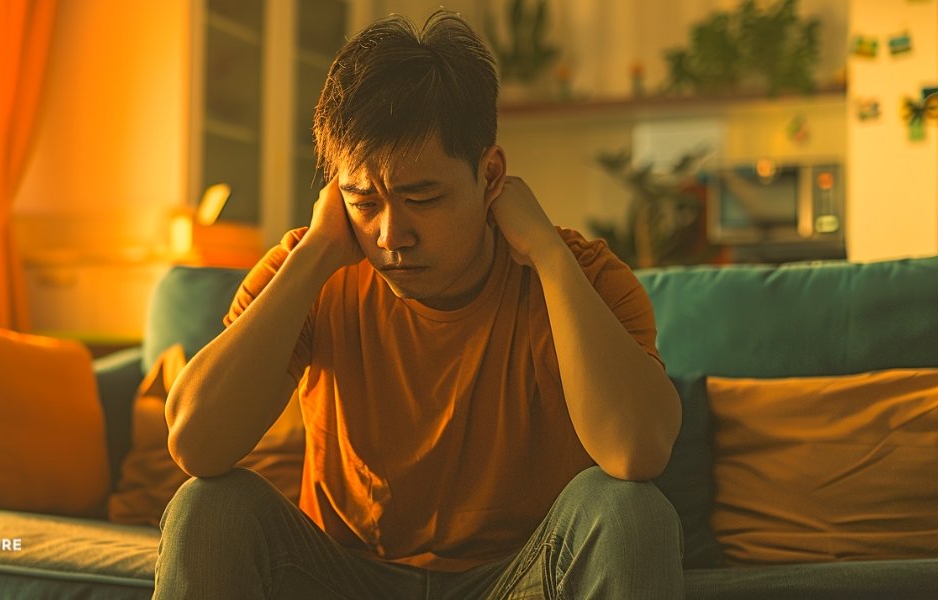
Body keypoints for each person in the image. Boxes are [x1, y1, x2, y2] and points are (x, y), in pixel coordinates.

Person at [156, 9, 684, 599]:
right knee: (209, 508)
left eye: (422, 197)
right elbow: (196, 444)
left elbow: (638, 452)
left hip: (517, 581)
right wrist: (315, 255)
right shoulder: (314, 269)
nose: (390, 235)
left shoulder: (579, 275)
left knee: (628, 510)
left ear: (491, 176)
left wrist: (548, 256)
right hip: (344, 579)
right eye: (363, 202)